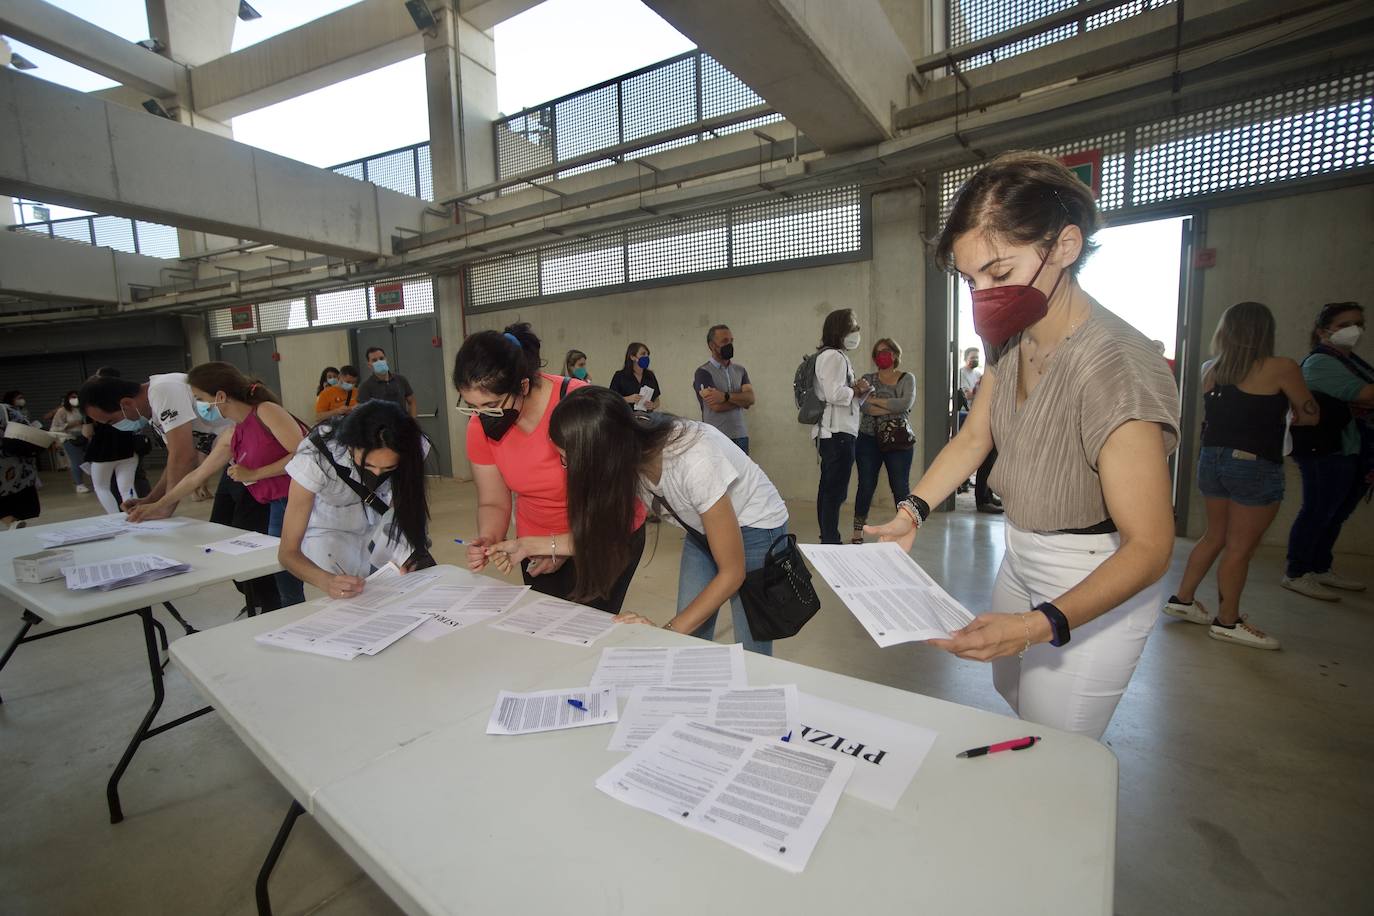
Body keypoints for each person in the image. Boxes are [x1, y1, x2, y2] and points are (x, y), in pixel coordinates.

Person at [866, 151, 1180, 741]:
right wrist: (911, 511)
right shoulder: (1013, 343)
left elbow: (1151, 546)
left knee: (1054, 739)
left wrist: (1040, 625)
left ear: (1063, 247)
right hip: (1022, 552)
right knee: (1009, 686)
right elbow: (975, 438)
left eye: (1000, 273)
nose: (984, 294)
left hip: (1094, 568)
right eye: (970, 280)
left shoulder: (1113, 365)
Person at [491, 387, 788, 653]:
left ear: (599, 453)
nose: (566, 470)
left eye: (567, 459)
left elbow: (732, 573)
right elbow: (605, 536)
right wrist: (527, 545)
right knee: (690, 628)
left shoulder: (693, 460)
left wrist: (662, 633)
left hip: (757, 526)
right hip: (700, 529)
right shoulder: (625, 452)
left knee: (751, 642)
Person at [455, 323, 647, 612]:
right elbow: (493, 500)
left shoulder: (579, 406)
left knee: (587, 630)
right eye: (471, 406)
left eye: (491, 405)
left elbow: (606, 502)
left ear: (522, 385)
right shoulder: (480, 424)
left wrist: (557, 547)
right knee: (545, 629)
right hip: (536, 547)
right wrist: (490, 539)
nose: (481, 416)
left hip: (603, 535)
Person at [1163, 302, 1318, 649]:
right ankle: (1227, 620)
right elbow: (1310, 415)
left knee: (1213, 536)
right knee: (1240, 548)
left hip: (1211, 460)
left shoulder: (1210, 368)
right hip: (1254, 464)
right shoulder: (1282, 367)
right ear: (1265, 331)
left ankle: (1183, 599)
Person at [130, 363, 309, 606]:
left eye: (200, 399)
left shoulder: (267, 411)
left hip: (306, 499)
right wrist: (157, 505)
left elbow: (303, 454)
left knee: (321, 558)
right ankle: (291, 613)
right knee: (285, 566)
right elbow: (196, 476)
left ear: (221, 396)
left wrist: (255, 472)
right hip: (279, 504)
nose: (200, 407)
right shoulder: (231, 434)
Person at [280, 401, 431, 600]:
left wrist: (410, 552)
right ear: (350, 446)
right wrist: (326, 581)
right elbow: (287, 552)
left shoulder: (412, 445)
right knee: (341, 610)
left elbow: (403, 510)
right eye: (368, 465)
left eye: (388, 469)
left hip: (379, 531)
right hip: (328, 537)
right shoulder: (314, 458)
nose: (377, 473)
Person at [1282, 301, 1373, 600]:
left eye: (1358, 323)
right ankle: (1297, 571)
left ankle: (1320, 566)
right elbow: (1365, 395)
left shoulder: (1351, 361)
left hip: (1347, 447)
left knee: (1336, 512)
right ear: (1323, 332)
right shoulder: (1321, 362)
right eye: (1345, 324)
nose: (1354, 330)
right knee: (1318, 509)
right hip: (1324, 448)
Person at [79, 370, 233, 519]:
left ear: (126, 403)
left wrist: (164, 507)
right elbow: (175, 462)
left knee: (240, 531)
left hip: (252, 460)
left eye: (111, 421)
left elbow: (183, 456)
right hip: (236, 463)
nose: (114, 426)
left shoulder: (163, 389)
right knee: (224, 524)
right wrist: (152, 500)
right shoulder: (155, 414)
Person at [811, 308, 872, 544]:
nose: (857, 331)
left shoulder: (834, 356)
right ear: (840, 330)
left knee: (830, 488)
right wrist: (856, 389)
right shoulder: (833, 357)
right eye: (853, 326)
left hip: (837, 431)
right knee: (834, 490)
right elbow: (833, 393)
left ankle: (828, 537)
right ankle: (830, 539)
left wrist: (859, 392)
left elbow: (840, 395)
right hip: (836, 433)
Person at [852, 338, 915, 543]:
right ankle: (857, 531)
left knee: (900, 486)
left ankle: (904, 530)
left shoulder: (907, 378)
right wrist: (890, 405)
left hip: (897, 439)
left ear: (895, 354)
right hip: (868, 438)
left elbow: (904, 404)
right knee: (866, 485)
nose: (882, 355)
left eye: (886, 351)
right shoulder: (867, 378)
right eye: (878, 352)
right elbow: (863, 406)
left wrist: (875, 400)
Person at [693, 324, 755, 454]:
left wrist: (725, 396)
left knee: (744, 475)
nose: (730, 344)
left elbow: (750, 399)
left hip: (741, 435)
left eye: (731, 341)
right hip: (717, 437)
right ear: (712, 345)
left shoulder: (740, 370)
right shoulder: (703, 372)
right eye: (724, 341)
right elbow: (715, 406)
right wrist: (741, 401)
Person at [0, 398, 41, 529]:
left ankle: (12, 522)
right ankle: (16, 524)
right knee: (21, 503)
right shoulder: (6, 410)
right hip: (16, 466)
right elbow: (31, 430)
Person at [50, 391, 91, 494]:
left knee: (90, 460)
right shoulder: (62, 411)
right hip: (70, 438)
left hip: (85, 436)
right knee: (76, 461)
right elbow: (54, 427)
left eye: (77, 397)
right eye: (73, 397)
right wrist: (69, 425)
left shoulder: (83, 409)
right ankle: (79, 484)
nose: (75, 399)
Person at [358, 347, 416, 417]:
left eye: (381, 358)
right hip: (381, 426)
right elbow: (364, 413)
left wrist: (412, 422)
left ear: (386, 360)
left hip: (402, 425)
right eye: (374, 360)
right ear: (369, 365)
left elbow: (412, 401)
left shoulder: (401, 379)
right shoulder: (365, 386)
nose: (379, 362)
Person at [608, 342, 661, 413]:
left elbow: (657, 399)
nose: (646, 357)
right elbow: (611, 399)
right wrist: (627, 399)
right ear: (632, 357)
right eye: (643, 354)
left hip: (646, 418)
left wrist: (653, 405)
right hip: (626, 417)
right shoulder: (620, 376)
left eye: (647, 354)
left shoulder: (650, 375)